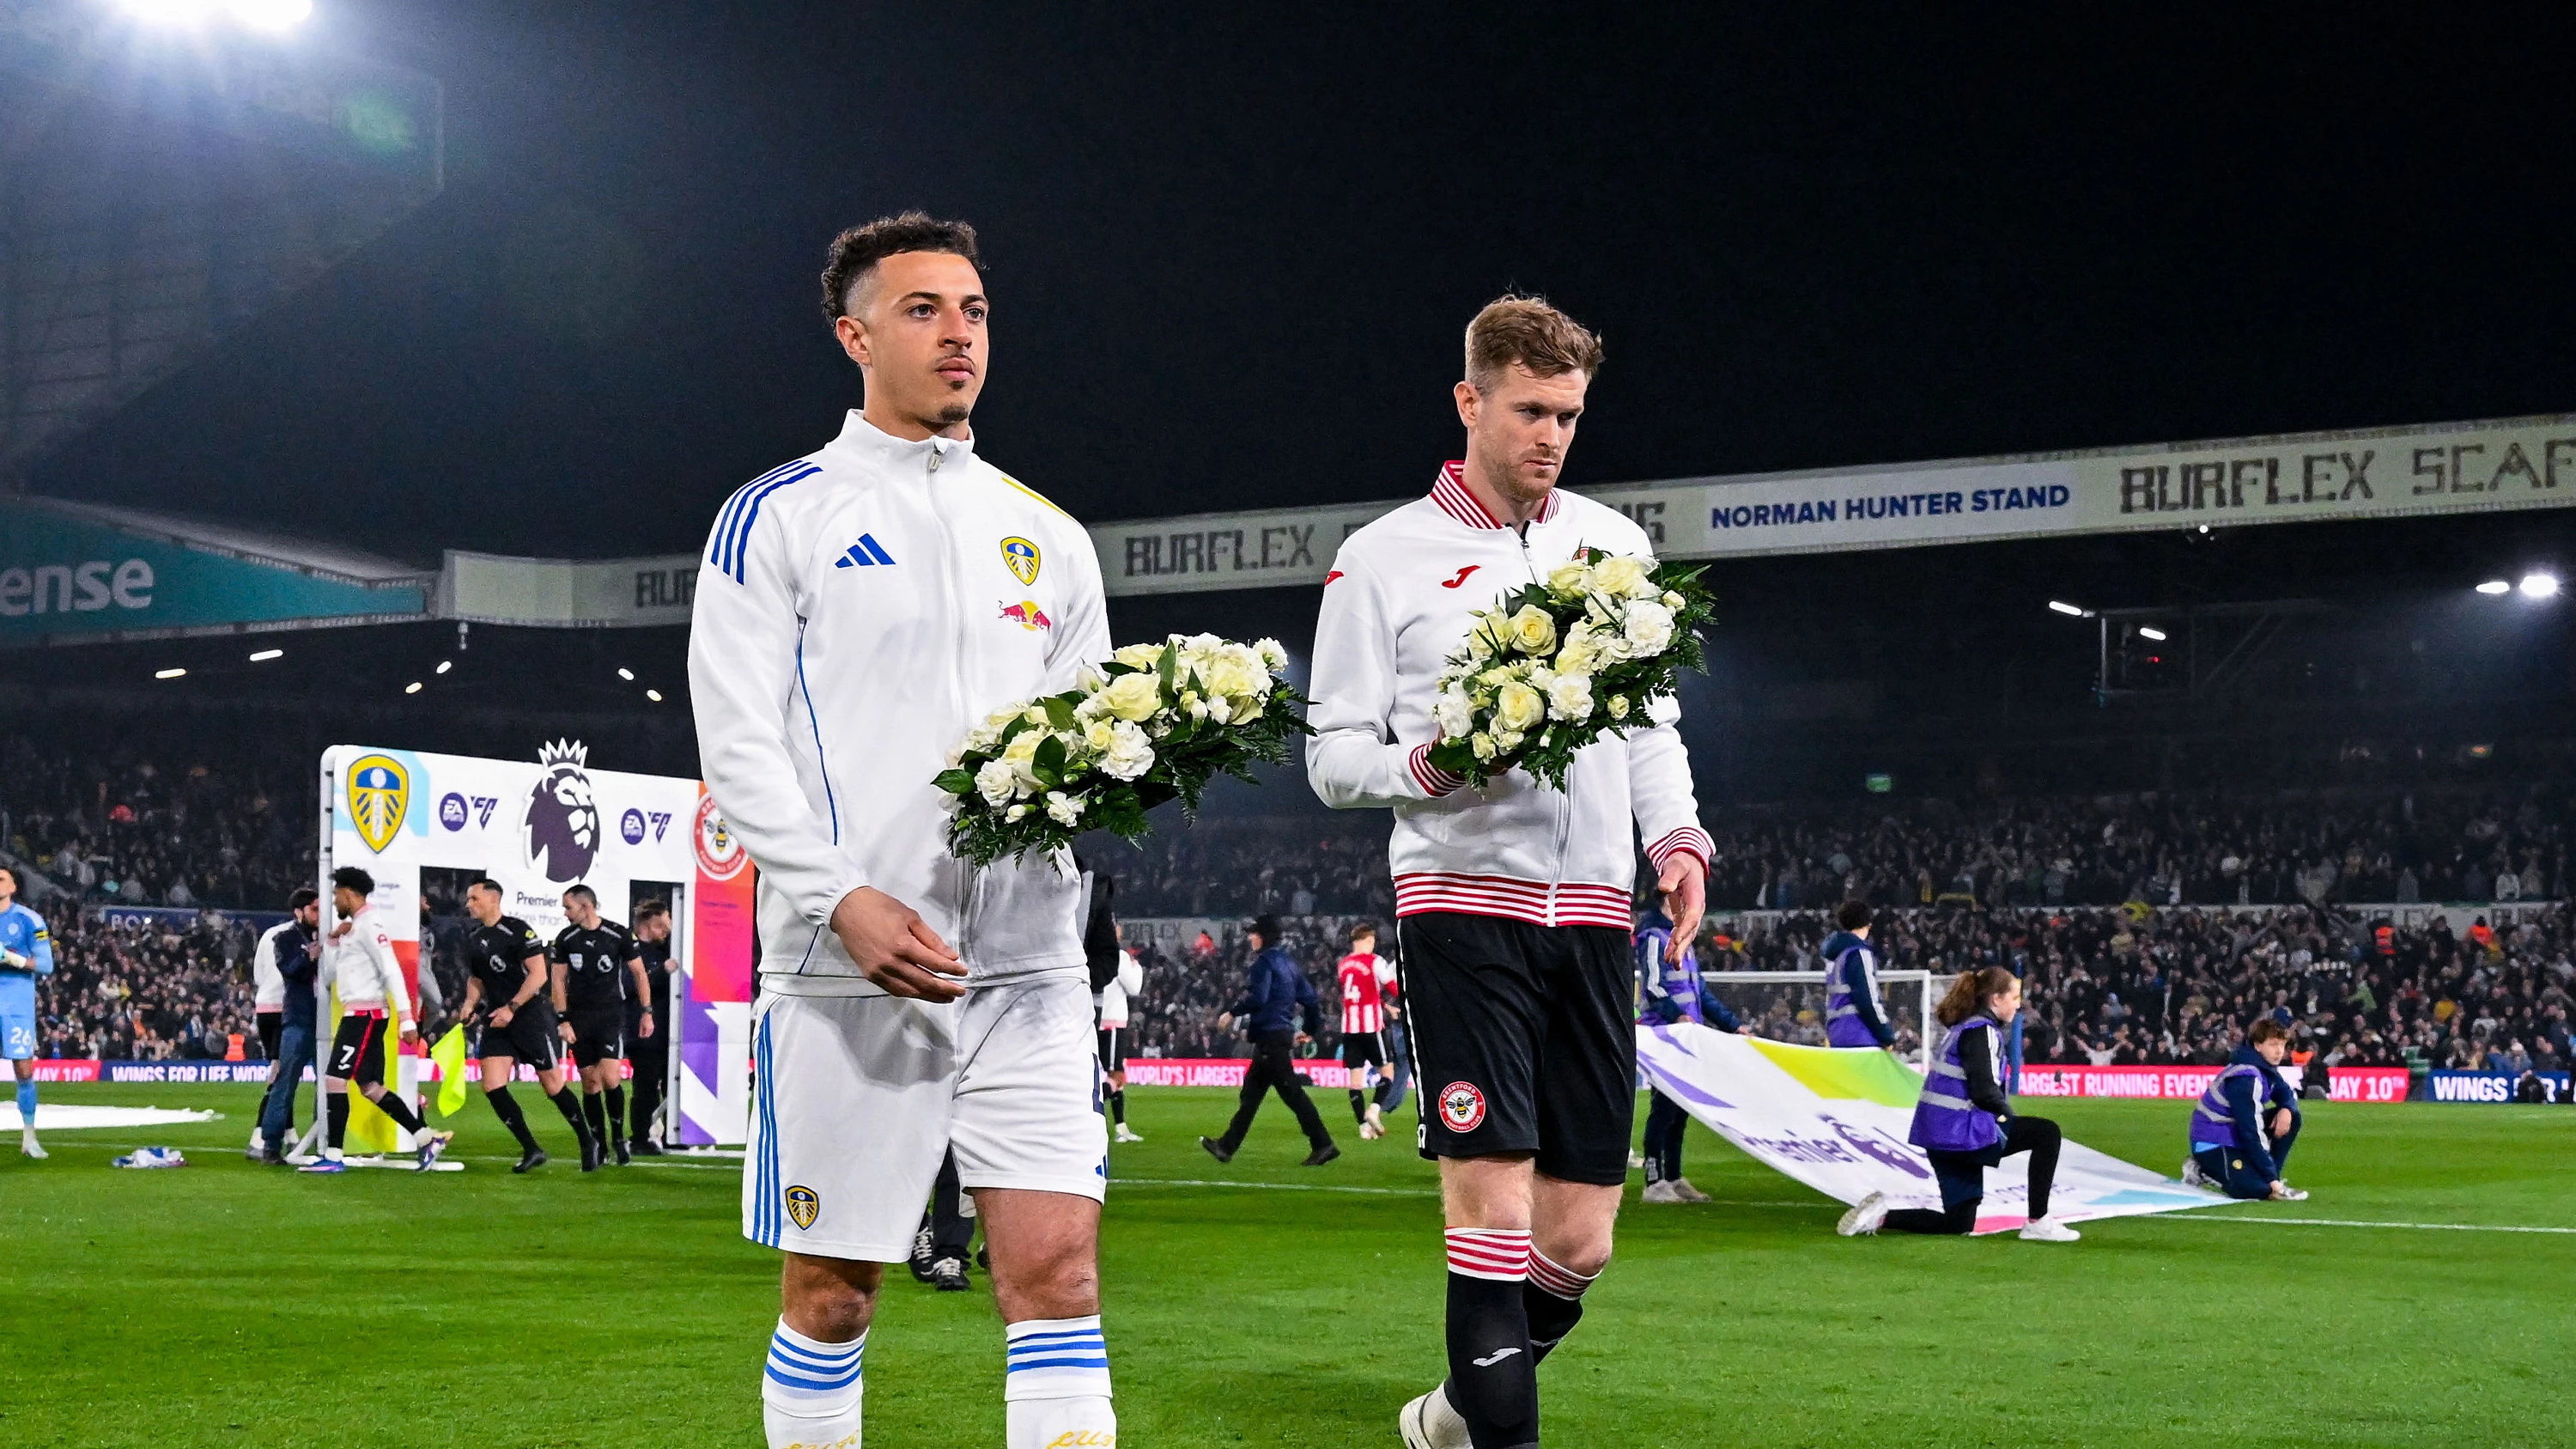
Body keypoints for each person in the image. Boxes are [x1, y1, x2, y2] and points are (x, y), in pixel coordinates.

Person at [689, 211, 1117, 1449]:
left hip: (1031, 969)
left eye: (974, 311)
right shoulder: (776, 515)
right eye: (924, 308)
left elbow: (1089, 745)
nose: (958, 334)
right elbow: (738, 744)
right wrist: (840, 898)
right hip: (848, 967)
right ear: (854, 333)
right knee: (835, 1295)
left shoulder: (1052, 534)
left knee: (1061, 1279)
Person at [1305, 295, 1712, 1449]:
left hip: (1592, 918)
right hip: (1459, 915)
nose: (1552, 436)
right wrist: (1433, 763)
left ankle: (1449, 1413)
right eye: (1531, 409)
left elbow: (1649, 726)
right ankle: (1502, 1432)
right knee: (1488, 1208)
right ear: (1470, 401)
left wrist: (1675, 839)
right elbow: (1332, 757)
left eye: (1570, 415)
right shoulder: (1381, 559)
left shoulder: (1615, 545)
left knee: (1578, 1242)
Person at [1836, 966, 2078, 1241]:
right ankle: (2038, 1222)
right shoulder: (1982, 1031)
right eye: (2014, 996)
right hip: (1961, 1133)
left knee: (1957, 1221)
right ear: (1996, 999)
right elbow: (1984, 1089)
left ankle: (1880, 1217)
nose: (2017, 1003)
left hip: (1938, 1136)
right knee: (2046, 1133)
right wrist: (2006, 1116)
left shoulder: (1962, 1028)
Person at [301, 866, 451, 1173]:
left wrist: (407, 1019)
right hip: (357, 1013)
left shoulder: (370, 925)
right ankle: (425, 1138)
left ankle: (334, 1156)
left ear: (348, 893)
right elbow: (329, 976)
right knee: (370, 1086)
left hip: (365, 1016)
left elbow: (391, 969)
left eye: (336, 894)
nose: (334, 902)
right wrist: (332, 943)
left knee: (334, 1080)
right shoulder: (355, 928)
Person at [459, 879, 594, 1172]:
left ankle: (588, 1141)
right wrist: (470, 1005)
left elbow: (538, 975)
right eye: (468, 899)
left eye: (474, 899)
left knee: (553, 1085)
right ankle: (532, 1149)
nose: (469, 904)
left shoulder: (518, 930)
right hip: (498, 1019)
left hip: (529, 1017)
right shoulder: (474, 938)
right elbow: (477, 980)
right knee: (493, 1085)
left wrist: (512, 1007)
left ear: (493, 899)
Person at [1201, 916, 1338, 1166]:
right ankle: (1226, 1146)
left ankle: (1323, 1143)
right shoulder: (1289, 964)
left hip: (1270, 1038)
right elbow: (1311, 999)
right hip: (1277, 1037)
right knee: (1251, 1095)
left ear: (1262, 936)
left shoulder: (1263, 964)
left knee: (1292, 1094)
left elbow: (1259, 997)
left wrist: (1232, 1012)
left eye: (1253, 933)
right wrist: (1309, 1028)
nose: (1250, 937)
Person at [1634, 904, 1741, 1204]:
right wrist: (1677, 1015)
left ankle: (1673, 1177)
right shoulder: (1655, 936)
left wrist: (1733, 1026)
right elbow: (1653, 986)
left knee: (1680, 1109)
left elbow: (1700, 993)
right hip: (1666, 1034)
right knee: (1664, 1108)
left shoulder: (1681, 937)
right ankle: (1653, 1182)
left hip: (1685, 1035)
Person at [551, 884, 652, 1167]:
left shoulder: (618, 934)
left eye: (568, 907)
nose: (565, 913)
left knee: (610, 1077)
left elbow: (639, 974)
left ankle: (619, 1137)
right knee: (590, 1082)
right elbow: (558, 980)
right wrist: (563, 1019)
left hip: (610, 1015)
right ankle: (599, 1143)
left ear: (586, 907)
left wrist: (646, 1012)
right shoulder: (566, 938)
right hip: (579, 1017)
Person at [2181, 1019, 2308, 1201]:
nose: (2279, 1051)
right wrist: (2269, 1177)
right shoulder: (2246, 1077)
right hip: (2213, 1141)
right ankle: (2201, 1169)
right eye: (2273, 1045)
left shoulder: (2262, 1067)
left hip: (2232, 1133)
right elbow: (2250, 1130)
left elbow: (2284, 1091)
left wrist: (2287, 1109)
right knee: (2256, 1190)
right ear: (2258, 1046)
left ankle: (2272, 1180)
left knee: (2293, 1117)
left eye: (2282, 1045)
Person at [251, 888, 321, 1165]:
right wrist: (309, 957)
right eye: (314, 909)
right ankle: (271, 1145)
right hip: (298, 1018)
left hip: (324, 1021)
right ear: (299, 911)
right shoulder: (284, 938)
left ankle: (325, 1140)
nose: (318, 914)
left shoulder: (329, 935)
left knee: (329, 1084)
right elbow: (290, 970)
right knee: (285, 1080)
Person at [0, 866, 54, 1159]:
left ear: (13, 888)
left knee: (23, 1070)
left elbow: (46, 965)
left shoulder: (28, 919)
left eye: (0, 879)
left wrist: (9, 957)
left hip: (15, 1004)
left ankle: (29, 1138)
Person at [1337, 922, 1400, 1139]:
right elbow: (1393, 988)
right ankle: (1374, 1110)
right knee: (1388, 1072)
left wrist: (1385, 1006)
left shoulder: (1343, 965)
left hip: (1349, 1028)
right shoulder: (1376, 962)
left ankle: (1363, 1127)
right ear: (1367, 940)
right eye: (1372, 941)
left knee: (1355, 1081)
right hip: (1371, 1027)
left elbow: (1363, 992)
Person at [629, 898, 675, 1156]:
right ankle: (639, 1138)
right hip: (644, 1030)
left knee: (673, 1085)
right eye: (661, 926)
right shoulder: (631, 950)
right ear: (648, 923)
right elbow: (629, 985)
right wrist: (661, 972)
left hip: (670, 1031)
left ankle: (673, 1133)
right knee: (645, 1086)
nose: (666, 932)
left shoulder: (663, 950)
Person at [1820, 900, 1897, 1052]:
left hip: (1836, 1035)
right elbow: (1868, 999)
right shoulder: (1860, 954)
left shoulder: (1835, 958)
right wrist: (1886, 1035)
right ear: (1868, 923)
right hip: (1860, 1035)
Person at [1096, 924, 1145, 1144]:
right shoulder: (1119, 956)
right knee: (1116, 1076)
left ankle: (1121, 1128)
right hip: (1113, 1021)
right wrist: (1136, 967)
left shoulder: (1092, 951)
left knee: (1112, 1076)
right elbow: (1134, 988)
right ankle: (1087, 1109)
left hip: (1097, 1018)